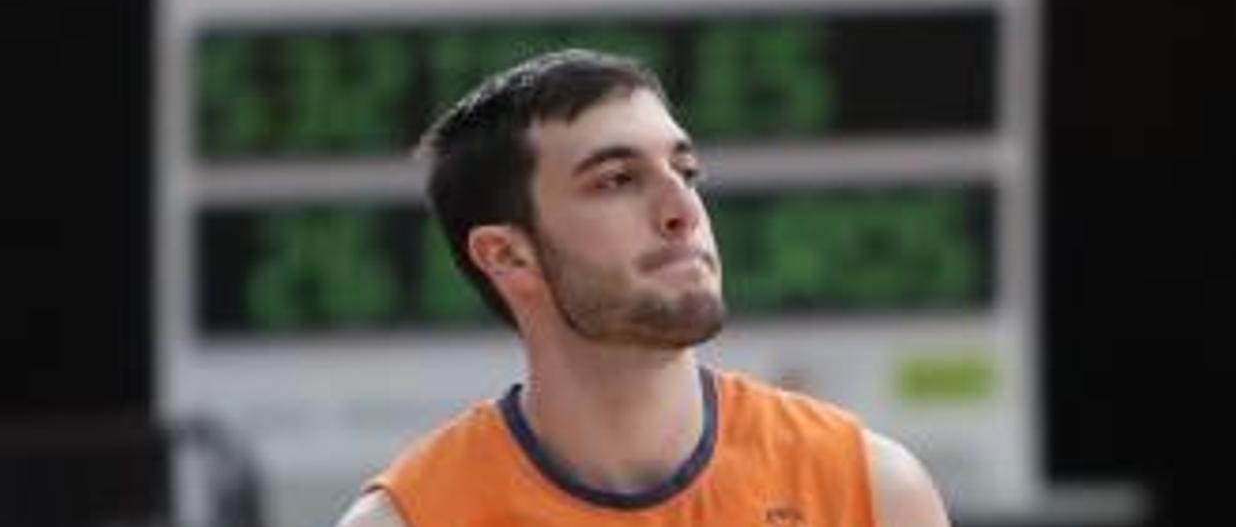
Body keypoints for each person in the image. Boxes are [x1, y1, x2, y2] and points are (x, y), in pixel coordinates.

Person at [337, 49, 949, 527]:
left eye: (686, 172)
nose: (682, 208)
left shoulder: (869, 490)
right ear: (508, 255)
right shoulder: (411, 518)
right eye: (617, 180)